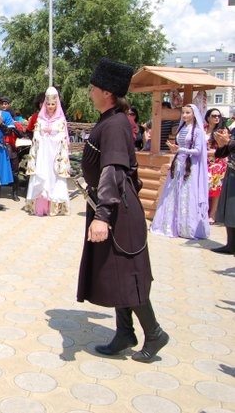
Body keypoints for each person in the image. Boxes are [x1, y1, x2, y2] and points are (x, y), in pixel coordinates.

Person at [77, 57, 168, 363]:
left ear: (107, 92)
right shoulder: (111, 119)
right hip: (115, 204)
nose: (90, 92)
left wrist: (103, 215)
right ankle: (124, 334)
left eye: (93, 88)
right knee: (117, 272)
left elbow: (113, 171)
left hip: (117, 209)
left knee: (128, 272)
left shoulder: (115, 124)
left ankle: (154, 333)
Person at [150, 103, 209, 239]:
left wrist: (180, 150)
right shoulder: (181, 128)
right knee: (172, 193)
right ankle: (170, 225)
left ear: (194, 114)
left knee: (187, 194)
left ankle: (187, 228)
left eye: (188, 113)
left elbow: (198, 151)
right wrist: (174, 149)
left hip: (190, 166)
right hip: (178, 164)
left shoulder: (198, 131)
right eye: (183, 113)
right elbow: (180, 147)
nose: (184, 115)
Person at [24, 87, 71, 215]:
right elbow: (36, 136)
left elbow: (63, 138)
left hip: (55, 154)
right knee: (41, 175)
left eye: (53, 104)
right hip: (43, 152)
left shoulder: (61, 120)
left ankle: (55, 207)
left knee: (54, 177)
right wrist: (43, 138)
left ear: (57, 104)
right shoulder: (40, 119)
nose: (50, 107)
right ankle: (40, 205)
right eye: (48, 104)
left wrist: (52, 138)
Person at [212, 127, 235, 253]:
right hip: (232, 172)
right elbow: (223, 154)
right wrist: (222, 145)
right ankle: (231, 245)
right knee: (230, 210)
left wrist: (229, 142)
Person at [0, 96, 27, 201]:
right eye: (3, 103)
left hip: (12, 150)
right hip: (1, 149)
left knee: (15, 173)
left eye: (6, 103)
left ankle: (14, 193)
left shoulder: (15, 124)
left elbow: (21, 135)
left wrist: (13, 127)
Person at [204, 108, 227, 224]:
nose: (217, 118)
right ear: (208, 117)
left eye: (218, 116)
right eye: (214, 115)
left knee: (215, 186)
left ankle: (212, 214)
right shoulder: (202, 129)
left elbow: (223, 150)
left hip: (217, 162)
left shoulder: (222, 131)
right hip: (203, 161)